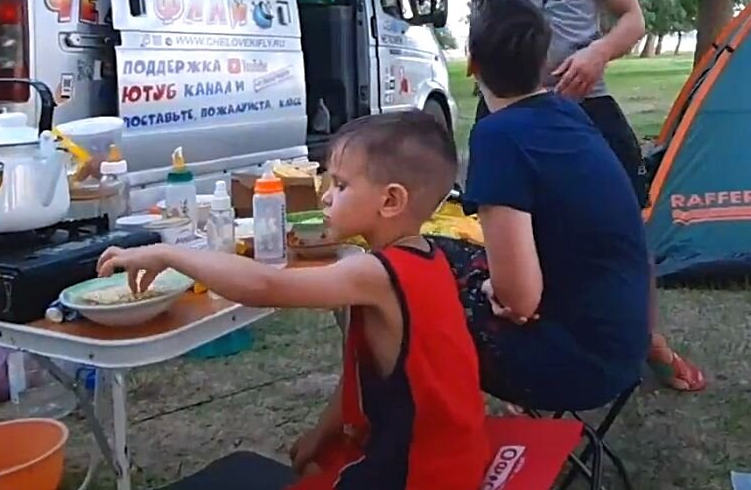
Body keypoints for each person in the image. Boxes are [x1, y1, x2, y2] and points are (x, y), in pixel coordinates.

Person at [422, 0, 706, 393]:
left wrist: (597, 53)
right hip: (506, 106)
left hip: (586, 103)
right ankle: (534, 318)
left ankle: (643, 336)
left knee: (625, 220)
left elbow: (632, 18)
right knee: (517, 228)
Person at [96, 112, 489, 490]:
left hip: (419, 476)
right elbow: (364, 372)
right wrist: (322, 431)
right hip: (457, 460)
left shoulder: (375, 274)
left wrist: (170, 255)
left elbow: (264, 285)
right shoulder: (430, 258)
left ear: (390, 201)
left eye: (340, 185)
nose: (326, 196)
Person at [430, 0, 651, 411]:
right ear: (544, 60)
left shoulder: (498, 136)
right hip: (624, 345)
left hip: (576, 366)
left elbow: (519, 300)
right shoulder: (570, 114)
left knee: (402, 284)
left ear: (473, 63)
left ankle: (405, 434)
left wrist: (496, 288)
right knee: (436, 257)